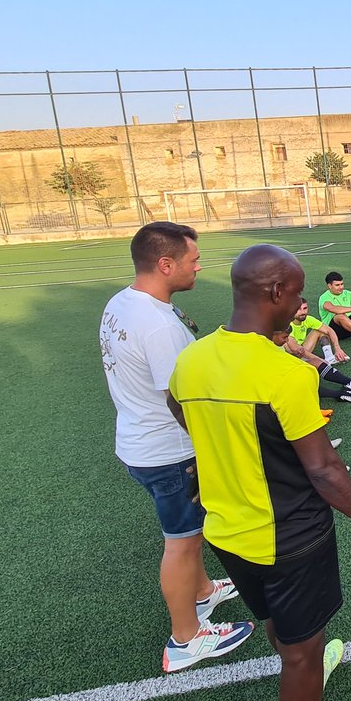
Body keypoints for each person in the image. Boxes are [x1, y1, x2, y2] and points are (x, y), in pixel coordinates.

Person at [167, 244, 351, 701]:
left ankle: (301, 656)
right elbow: (324, 468)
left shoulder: (192, 359)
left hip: (225, 531)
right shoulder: (285, 372)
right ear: (277, 291)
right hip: (290, 536)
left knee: (275, 620)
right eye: (297, 292)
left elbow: (178, 408)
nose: (300, 302)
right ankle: (305, 666)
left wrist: (217, 450)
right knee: (302, 655)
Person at [99, 222, 253, 672]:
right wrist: (216, 446)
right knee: (181, 542)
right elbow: (181, 398)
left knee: (191, 531)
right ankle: (186, 638)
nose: (199, 265)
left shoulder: (123, 302)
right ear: (165, 264)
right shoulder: (156, 324)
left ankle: (203, 591)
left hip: (139, 442)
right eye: (193, 259)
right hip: (168, 453)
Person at [290, 298, 349, 365]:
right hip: (290, 357)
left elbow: (329, 330)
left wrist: (337, 348)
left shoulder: (308, 319)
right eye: (298, 309)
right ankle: (308, 361)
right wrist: (320, 360)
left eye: (305, 308)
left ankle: (329, 357)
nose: (303, 312)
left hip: (301, 351)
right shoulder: (285, 324)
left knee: (320, 330)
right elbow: (295, 348)